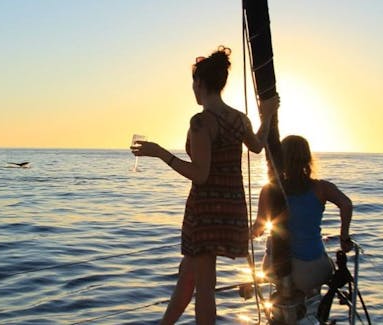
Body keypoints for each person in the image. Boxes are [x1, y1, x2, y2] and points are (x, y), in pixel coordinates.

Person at [131, 46, 280, 325]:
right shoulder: (239, 118)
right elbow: (258, 146)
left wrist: (160, 152)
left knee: (205, 286)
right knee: (188, 275)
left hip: (205, 211)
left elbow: (200, 174)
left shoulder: (201, 122)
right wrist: (268, 116)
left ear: (199, 84)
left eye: (194, 84)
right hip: (231, 208)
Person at [251, 135, 353, 298]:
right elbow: (346, 205)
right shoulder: (322, 188)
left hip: (275, 267)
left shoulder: (269, 190)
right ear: (307, 159)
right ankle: (312, 308)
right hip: (310, 269)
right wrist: (344, 237)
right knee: (322, 266)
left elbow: (258, 229)